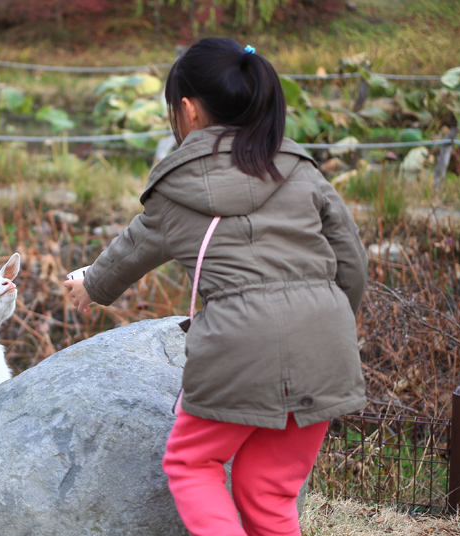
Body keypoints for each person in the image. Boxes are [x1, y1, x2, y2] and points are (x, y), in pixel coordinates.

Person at [63, 37, 367, 536]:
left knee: (192, 464)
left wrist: (88, 286)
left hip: (239, 343)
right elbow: (351, 264)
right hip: (327, 343)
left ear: (188, 110)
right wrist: (326, 322)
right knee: (268, 489)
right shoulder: (301, 172)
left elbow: (131, 250)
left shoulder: (177, 188)